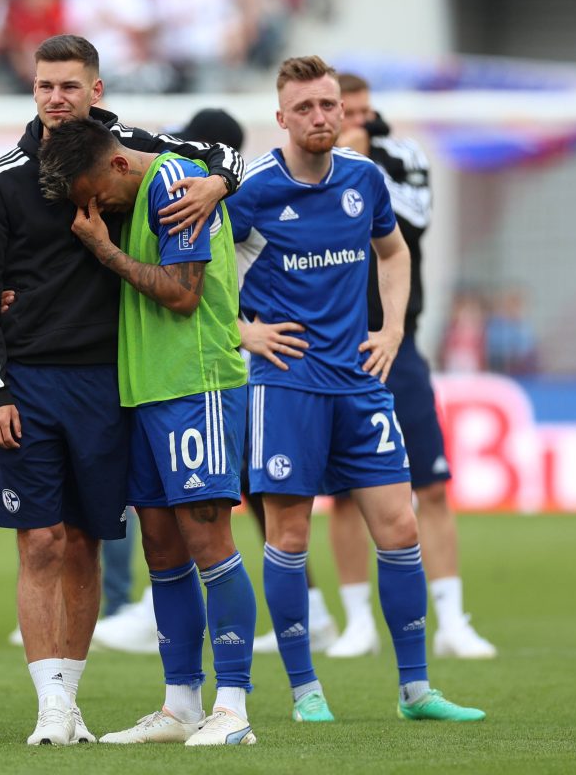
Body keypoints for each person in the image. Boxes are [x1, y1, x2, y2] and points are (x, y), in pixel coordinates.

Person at [0, 34, 242, 746]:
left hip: (119, 384)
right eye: (44, 85)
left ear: (96, 90)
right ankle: (58, 707)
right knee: (46, 541)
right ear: (33, 89)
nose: (56, 97)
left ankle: (193, 706)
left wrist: (218, 181)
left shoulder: (136, 152)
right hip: (32, 384)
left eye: (69, 86)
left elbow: (223, 156)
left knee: (94, 541)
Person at [227, 55, 484, 722]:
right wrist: (243, 334)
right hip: (285, 387)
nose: (318, 117)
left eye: (328, 105)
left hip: (360, 383)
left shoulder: (365, 179)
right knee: (287, 536)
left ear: (343, 111)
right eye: (304, 108)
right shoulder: (253, 190)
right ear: (280, 117)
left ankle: (416, 691)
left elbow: (394, 252)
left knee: (399, 528)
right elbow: (196, 274)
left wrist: (392, 327)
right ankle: (306, 691)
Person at [40, 118, 257, 746]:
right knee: (161, 547)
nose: (95, 208)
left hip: (196, 385)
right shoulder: (137, 191)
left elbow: (183, 295)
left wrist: (103, 250)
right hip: (146, 392)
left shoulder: (174, 185)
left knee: (207, 538)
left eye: (96, 194)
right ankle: (182, 704)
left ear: (116, 166)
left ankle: (234, 709)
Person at [322, 73, 496, 660]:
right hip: (336, 351)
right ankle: (356, 622)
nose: (362, 122)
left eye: (368, 112)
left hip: (400, 345)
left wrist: (363, 162)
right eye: (353, 113)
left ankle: (452, 619)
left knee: (432, 485)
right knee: (344, 495)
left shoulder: (402, 157)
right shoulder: (311, 170)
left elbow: (413, 224)